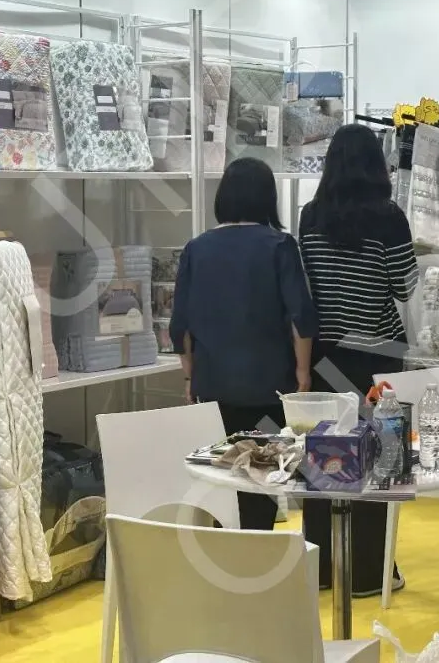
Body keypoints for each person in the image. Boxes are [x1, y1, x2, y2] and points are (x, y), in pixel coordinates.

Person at [297, 123, 418, 597]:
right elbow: (404, 286)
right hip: (379, 354)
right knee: (380, 461)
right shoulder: (389, 217)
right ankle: (371, 571)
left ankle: (323, 567)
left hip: (325, 353)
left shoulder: (310, 216)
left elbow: (308, 286)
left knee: (322, 459)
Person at [170, 157, 317, 531]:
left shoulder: (196, 248)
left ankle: (225, 547)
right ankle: (256, 546)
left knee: (223, 473)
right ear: (268, 199)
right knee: (262, 475)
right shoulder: (280, 245)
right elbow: (300, 317)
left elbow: (180, 324)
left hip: (213, 382)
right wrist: (303, 373)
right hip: (270, 382)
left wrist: (189, 377)